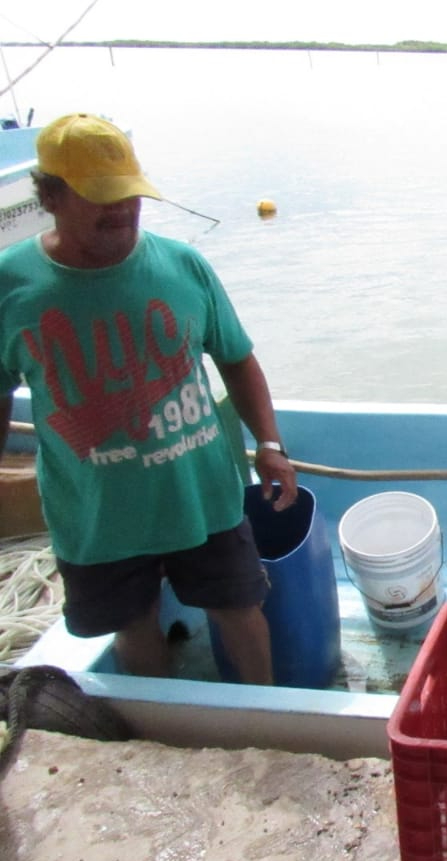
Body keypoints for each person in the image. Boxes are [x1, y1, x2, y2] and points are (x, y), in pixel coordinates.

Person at [0, 113, 297, 685]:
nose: (121, 210)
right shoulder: (11, 286)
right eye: (100, 197)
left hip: (202, 496)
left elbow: (236, 357)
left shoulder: (184, 266)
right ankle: (163, 730)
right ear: (51, 195)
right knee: (133, 626)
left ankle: (264, 721)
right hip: (95, 513)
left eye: (129, 195)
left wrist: (269, 444)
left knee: (239, 609)